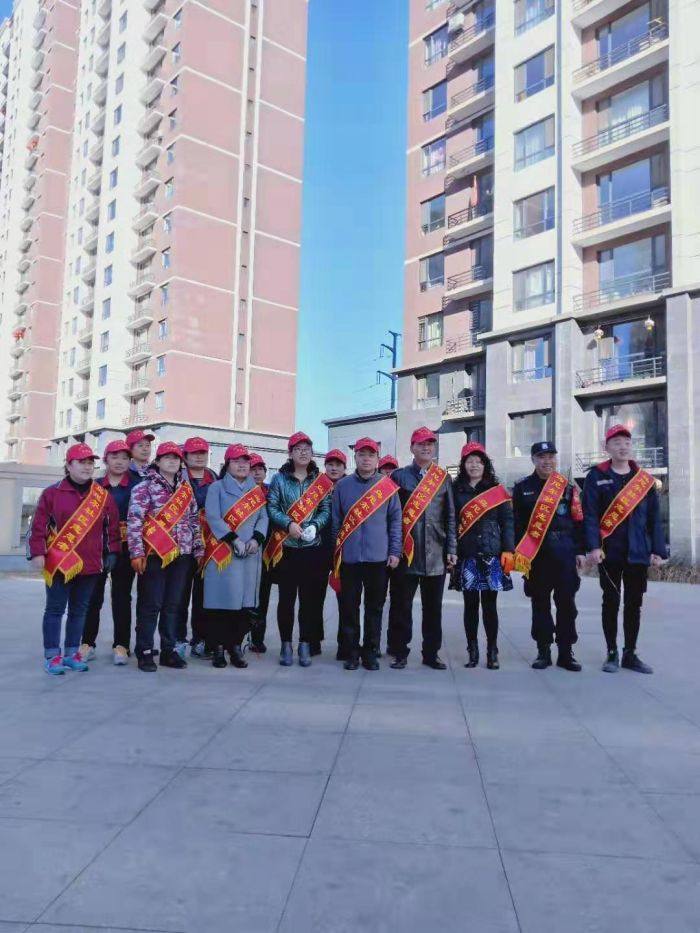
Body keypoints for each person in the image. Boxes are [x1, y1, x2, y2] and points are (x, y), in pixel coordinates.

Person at [28, 443, 121, 674]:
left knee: (79, 611)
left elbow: (112, 529)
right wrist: (38, 552)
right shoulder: (52, 493)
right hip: (59, 562)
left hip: (91, 563)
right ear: (69, 465)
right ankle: (52, 656)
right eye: (81, 462)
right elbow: (39, 526)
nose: (87, 467)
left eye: (90, 463)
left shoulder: (102, 496)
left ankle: (71, 654)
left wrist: (112, 552)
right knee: (55, 609)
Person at [582, 424, 668, 674]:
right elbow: (590, 515)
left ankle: (630, 652)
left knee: (634, 603)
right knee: (610, 601)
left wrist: (657, 550)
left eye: (627, 443)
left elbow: (654, 518)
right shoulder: (596, 476)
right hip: (610, 551)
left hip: (638, 552)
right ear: (606, 447)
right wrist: (593, 546)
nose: (623, 447)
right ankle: (612, 652)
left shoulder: (643, 480)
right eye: (617, 442)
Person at [127, 441, 204, 672]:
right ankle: (145, 651)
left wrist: (198, 549)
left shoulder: (186, 490)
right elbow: (134, 522)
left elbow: (193, 521)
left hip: (182, 554)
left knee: (173, 605)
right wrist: (136, 552)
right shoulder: (144, 487)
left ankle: (168, 650)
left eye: (176, 458)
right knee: (150, 605)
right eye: (167, 457)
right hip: (154, 554)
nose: (172, 461)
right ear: (158, 461)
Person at [387, 426, 457, 670]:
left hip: (436, 553)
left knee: (433, 609)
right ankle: (400, 652)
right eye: (421, 444)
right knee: (401, 607)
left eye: (430, 443)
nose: (426, 447)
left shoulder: (443, 478)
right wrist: (393, 549)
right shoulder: (399, 477)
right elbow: (392, 517)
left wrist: (452, 548)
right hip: (407, 553)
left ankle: (431, 654)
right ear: (412, 448)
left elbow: (451, 516)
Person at [512, 441, 586, 672]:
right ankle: (543, 650)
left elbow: (579, 521)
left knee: (567, 604)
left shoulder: (567, 488)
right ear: (533, 460)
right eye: (542, 457)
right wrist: (520, 554)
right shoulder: (522, 488)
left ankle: (566, 652)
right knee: (540, 603)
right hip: (537, 555)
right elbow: (516, 524)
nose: (547, 461)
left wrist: (580, 551)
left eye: (551, 457)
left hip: (565, 552)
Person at [330, 438, 402, 670]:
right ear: (355, 457)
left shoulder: (387, 487)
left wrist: (394, 551)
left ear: (377, 459)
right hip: (349, 558)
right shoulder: (343, 486)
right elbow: (336, 522)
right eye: (362, 454)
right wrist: (336, 552)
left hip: (378, 558)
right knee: (349, 608)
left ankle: (370, 651)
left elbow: (395, 522)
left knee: (375, 608)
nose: (366, 459)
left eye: (371, 455)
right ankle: (351, 652)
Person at [265, 431, 332, 667]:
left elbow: (325, 509)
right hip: (287, 548)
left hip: (312, 548)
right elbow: (272, 507)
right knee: (286, 600)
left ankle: (304, 643)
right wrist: (288, 524)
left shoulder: (320, 481)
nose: (303, 453)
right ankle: (286, 644)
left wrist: (315, 525)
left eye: (307, 449)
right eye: (298, 449)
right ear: (290, 453)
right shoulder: (279, 479)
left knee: (309, 600)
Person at [203, 444, 268, 669]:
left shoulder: (256, 490)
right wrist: (234, 539)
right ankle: (219, 648)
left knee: (244, 605)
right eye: (236, 461)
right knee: (221, 603)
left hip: (249, 554)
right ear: (227, 464)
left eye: (245, 461)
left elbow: (263, 517)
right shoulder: (217, 487)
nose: (242, 465)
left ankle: (236, 646)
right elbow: (213, 517)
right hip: (224, 551)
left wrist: (256, 539)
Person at [451, 442, 514, 670]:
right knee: (470, 606)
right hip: (467, 554)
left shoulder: (496, 490)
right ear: (463, 465)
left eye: (478, 461)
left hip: (491, 554)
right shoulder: (456, 490)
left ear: (485, 464)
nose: (474, 465)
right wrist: (452, 551)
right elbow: (452, 522)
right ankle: (473, 650)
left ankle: (492, 651)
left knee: (489, 606)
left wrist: (508, 550)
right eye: (470, 461)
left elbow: (507, 522)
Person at [81, 440, 142, 665]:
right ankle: (87, 643)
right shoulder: (93, 486)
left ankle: (121, 645)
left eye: (125, 458)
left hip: (126, 548)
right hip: (97, 549)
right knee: (92, 596)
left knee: (122, 597)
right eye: (114, 457)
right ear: (106, 459)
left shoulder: (138, 485)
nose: (119, 462)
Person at [179, 436, 218, 660]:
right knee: (179, 596)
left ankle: (201, 639)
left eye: (202, 452)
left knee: (204, 597)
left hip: (210, 546)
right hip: (183, 546)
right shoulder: (177, 479)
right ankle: (178, 641)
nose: (199, 456)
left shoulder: (215, 478)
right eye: (194, 453)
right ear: (185, 457)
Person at [316, 449, 347, 658]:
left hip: (343, 549)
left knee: (345, 598)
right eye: (330, 464)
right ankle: (313, 640)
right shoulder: (316, 487)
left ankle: (344, 644)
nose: (334, 468)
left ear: (345, 467)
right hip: (318, 548)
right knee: (315, 597)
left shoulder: (351, 486)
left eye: (338, 465)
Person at [249, 453, 272, 653]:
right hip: (246, 550)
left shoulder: (271, 492)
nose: (256, 473)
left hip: (267, 551)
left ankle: (257, 639)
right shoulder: (241, 493)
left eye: (260, 469)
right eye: (253, 469)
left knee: (262, 596)